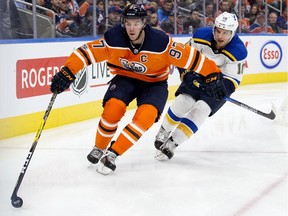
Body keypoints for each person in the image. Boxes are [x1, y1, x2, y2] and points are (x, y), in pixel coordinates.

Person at [50, 4, 221, 175]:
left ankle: (113, 153)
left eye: (136, 23)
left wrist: (213, 74)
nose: (132, 28)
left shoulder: (160, 42)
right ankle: (99, 147)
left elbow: (192, 58)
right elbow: (84, 53)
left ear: (144, 23)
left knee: (145, 118)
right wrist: (67, 72)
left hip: (155, 84)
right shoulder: (113, 39)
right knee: (112, 110)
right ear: (123, 23)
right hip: (125, 78)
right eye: (128, 23)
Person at [154, 12, 248, 161]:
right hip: (196, 75)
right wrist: (186, 74)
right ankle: (164, 131)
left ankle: (172, 143)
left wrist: (220, 89)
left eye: (225, 32)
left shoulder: (238, 51)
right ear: (213, 29)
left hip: (219, 82)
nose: (220, 36)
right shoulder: (200, 36)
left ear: (233, 33)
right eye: (218, 30)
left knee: (202, 110)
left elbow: (233, 79)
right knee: (184, 101)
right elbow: (182, 56)